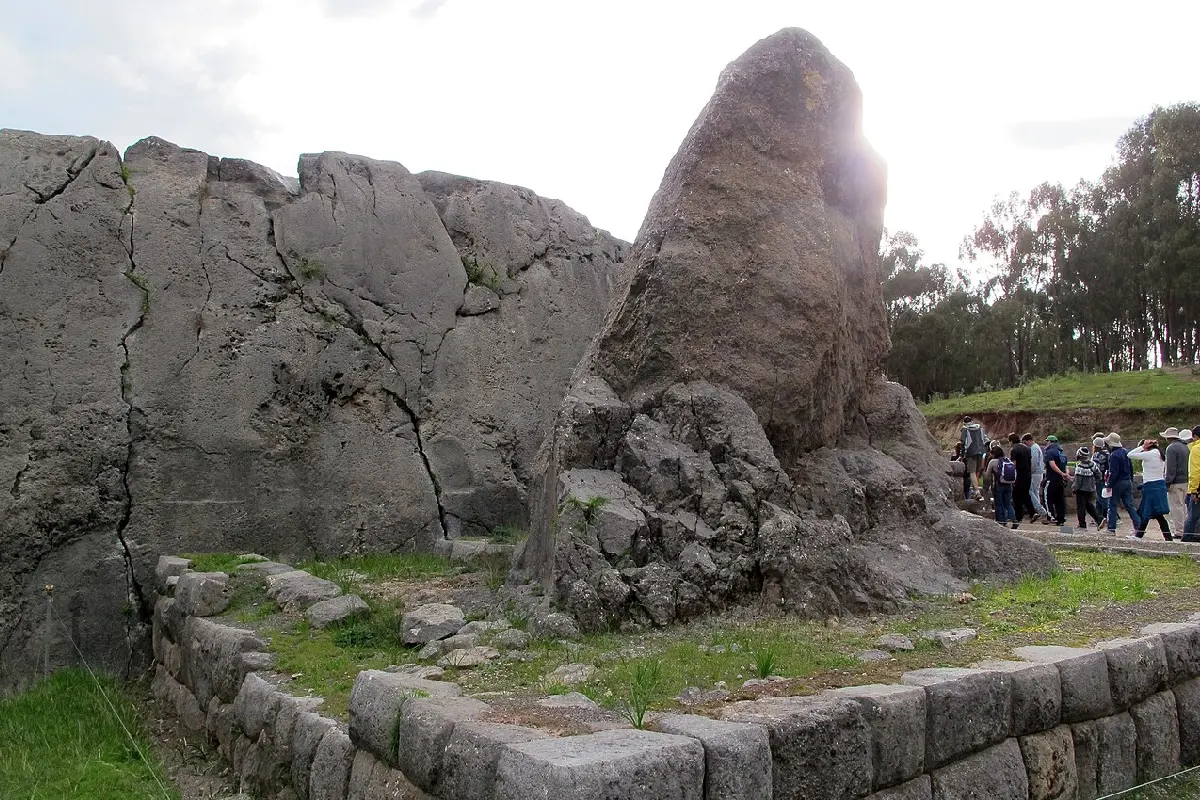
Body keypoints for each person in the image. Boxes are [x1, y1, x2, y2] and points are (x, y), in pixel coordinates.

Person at [1129, 438, 1174, 541]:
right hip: (1158, 485)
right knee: (1157, 514)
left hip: (1151, 487)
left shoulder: (1150, 454)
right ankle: (1168, 538)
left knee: (1147, 512)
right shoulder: (1159, 454)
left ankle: (1139, 536)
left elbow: (1130, 455)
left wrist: (1142, 447)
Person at [1106, 433, 1143, 534]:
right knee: (1130, 506)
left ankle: (1111, 528)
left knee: (1112, 505)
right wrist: (1130, 480)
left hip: (1118, 483)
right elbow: (1131, 468)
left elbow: (1113, 472)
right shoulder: (1125, 452)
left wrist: (1109, 485)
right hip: (1127, 481)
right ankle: (1139, 526)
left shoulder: (1113, 455)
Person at [1164, 427, 1191, 536]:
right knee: (1182, 506)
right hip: (1185, 480)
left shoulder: (1171, 448)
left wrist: (1167, 482)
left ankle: (1179, 531)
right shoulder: (1185, 447)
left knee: (1176, 507)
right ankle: (1185, 528)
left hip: (1175, 482)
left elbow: (1171, 468)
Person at [1070, 446, 1104, 529]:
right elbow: (1098, 474)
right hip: (1091, 488)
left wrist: (1074, 488)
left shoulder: (1080, 467)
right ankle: (1099, 520)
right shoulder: (1092, 464)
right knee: (1089, 505)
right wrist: (1095, 481)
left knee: (1081, 507)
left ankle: (1082, 524)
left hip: (1081, 490)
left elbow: (1078, 481)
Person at [985, 444, 1017, 526]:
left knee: (999, 504)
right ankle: (1014, 520)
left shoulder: (993, 462)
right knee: (1008, 504)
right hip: (1009, 485)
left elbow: (987, 475)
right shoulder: (1008, 460)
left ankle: (1001, 521)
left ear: (994, 454)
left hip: (998, 485)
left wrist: (986, 486)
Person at [1043, 435, 1069, 526]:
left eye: (1047, 441)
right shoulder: (1061, 452)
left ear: (1050, 442)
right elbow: (1066, 465)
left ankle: (1051, 516)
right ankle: (1061, 518)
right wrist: (1065, 475)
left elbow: (1052, 464)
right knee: (1060, 499)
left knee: (1048, 497)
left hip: (1052, 478)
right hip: (1060, 480)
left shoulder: (1050, 452)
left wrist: (1061, 473)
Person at [1023, 434, 1050, 522]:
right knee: (1035, 492)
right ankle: (1038, 510)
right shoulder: (1037, 447)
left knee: (1030, 491)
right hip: (1039, 472)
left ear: (1028, 440)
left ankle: (1040, 510)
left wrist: (1030, 471)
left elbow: (1033, 462)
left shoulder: (1034, 448)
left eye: (1025, 442)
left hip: (1035, 473)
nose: (1025, 445)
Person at [960, 416, 987, 500]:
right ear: (972, 421)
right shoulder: (979, 427)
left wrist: (962, 455)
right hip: (981, 451)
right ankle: (979, 489)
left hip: (970, 452)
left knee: (972, 472)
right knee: (977, 471)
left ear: (964, 422)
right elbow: (985, 439)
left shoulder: (965, 429)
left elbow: (963, 443)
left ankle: (977, 491)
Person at [1009, 433, 1033, 522]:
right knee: (1026, 494)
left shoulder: (1014, 449)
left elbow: (1013, 465)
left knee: (1016, 496)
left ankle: (1018, 517)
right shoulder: (1027, 448)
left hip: (1019, 475)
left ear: (1011, 441)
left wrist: (1012, 478)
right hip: (1028, 474)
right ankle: (1032, 513)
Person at [1185, 425, 1200, 541]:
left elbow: (1195, 472)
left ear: (1195, 436)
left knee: (1192, 517)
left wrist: (1194, 490)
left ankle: (1187, 540)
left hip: (1198, 489)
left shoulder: (1196, 449)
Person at [1091, 436, 1110, 521]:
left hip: (1099, 478)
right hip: (1107, 477)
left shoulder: (1097, 455)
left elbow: (1096, 468)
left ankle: (1111, 516)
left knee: (1101, 498)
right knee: (1100, 499)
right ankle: (1098, 516)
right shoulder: (1107, 454)